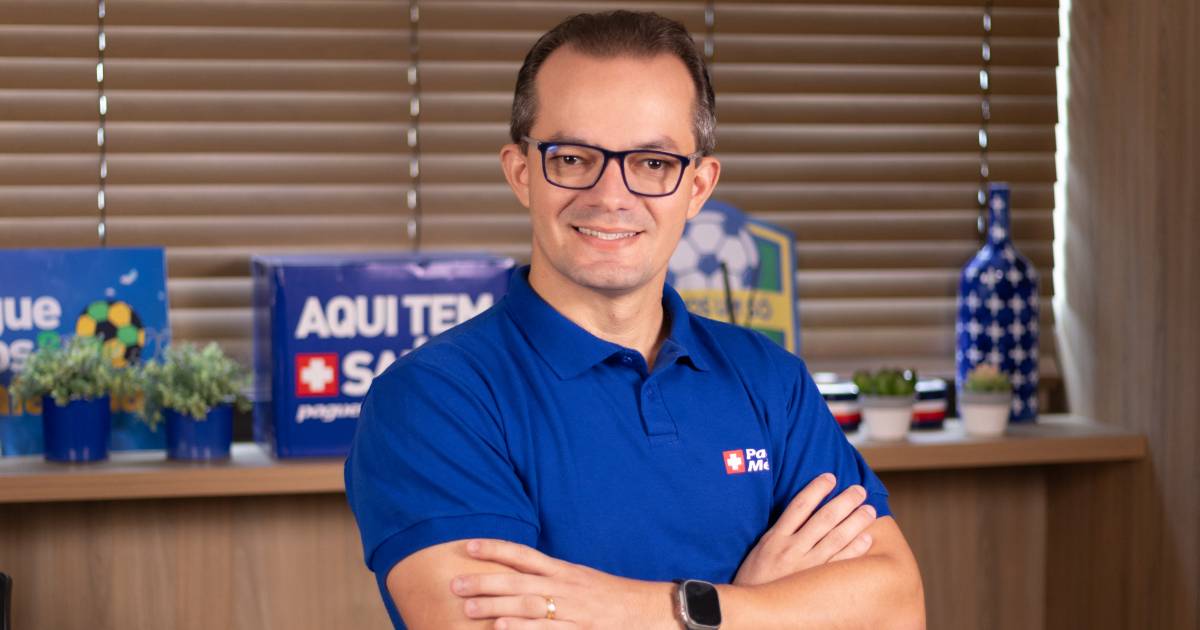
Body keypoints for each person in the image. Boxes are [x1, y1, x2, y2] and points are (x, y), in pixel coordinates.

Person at [345, 10, 924, 629]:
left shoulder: (770, 381)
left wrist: (655, 609)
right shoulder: (435, 401)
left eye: (653, 163)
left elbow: (895, 609)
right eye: (573, 158)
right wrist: (757, 605)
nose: (611, 196)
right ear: (521, 173)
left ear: (698, 187)